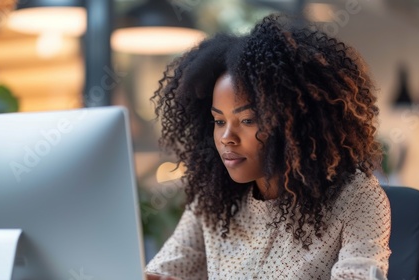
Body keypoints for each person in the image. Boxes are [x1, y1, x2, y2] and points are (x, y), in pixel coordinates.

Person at [145, 14, 391, 280]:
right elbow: (163, 271)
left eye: (248, 120)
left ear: (294, 122)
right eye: (218, 121)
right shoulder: (213, 199)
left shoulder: (356, 197)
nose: (227, 137)